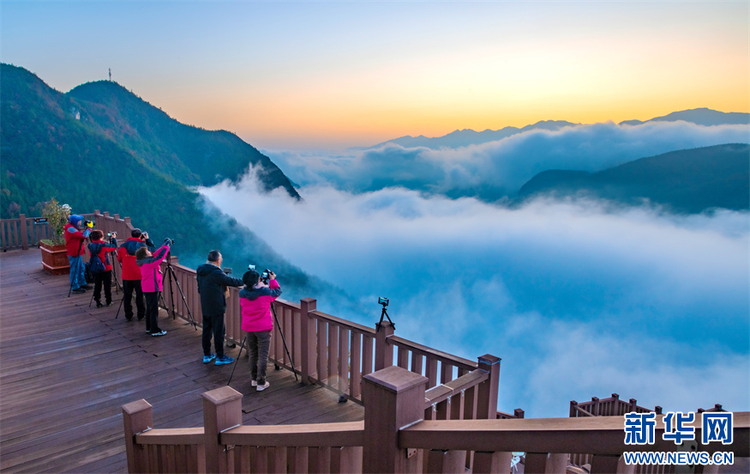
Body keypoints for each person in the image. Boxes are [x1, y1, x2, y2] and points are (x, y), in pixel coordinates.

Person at [196, 250, 244, 366]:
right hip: (216, 305)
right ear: (217, 260)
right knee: (219, 331)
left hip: (205, 303)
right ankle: (220, 357)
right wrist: (247, 281)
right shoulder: (216, 272)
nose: (221, 260)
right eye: (221, 258)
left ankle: (207, 355)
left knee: (207, 330)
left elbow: (199, 287)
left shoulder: (201, 270)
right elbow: (231, 281)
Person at [239, 268, 281, 391]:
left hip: (249, 326)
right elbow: (277, 292)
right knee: (263, 355)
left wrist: (258, 282)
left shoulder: (242, 293)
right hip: (263, 327)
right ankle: (261, 382)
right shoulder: (265, 292)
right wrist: (272, 280)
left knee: (253, 353)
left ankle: (253, 379)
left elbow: (252, 290)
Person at [135, 240, 172, 337]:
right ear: (144, 255)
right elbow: (160, 257)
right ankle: (155, 329)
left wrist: (163, 245)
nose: (149, 252)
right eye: (147, 252)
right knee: (154, 309)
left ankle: (149, 328)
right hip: (152, 288)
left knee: (150, 308)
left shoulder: (144, 261)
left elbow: (155, 254)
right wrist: (167, 247)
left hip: (147, 287)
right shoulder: (149, 263)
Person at [117, 229, 155, 321]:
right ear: (140, 236)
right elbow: (153, 252)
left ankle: (128, 315)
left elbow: (119, 259)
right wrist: (148, 240)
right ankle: (141, 314)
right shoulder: (143, 246)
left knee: (127, 296)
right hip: (139, 275)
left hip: (126, 275)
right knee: (140, 296)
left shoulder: (123, 247)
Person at [88, 230, 118, 307]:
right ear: (101, 237)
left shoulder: (90, 246)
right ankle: (108, 300)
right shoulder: (103, 246)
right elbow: (114, 247)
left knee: (97, 284)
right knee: (107, 285)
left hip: (95, 267)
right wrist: (113, 238)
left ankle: (98, 301)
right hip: (105, 268)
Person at [64, 215, 91, 294]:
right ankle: (75, 286)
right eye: (79, 221)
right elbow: (84, 236)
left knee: (81, 268)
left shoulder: (72, 227)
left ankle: (82, 282)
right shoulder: (70, 228)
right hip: (74, 252)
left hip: (78, 252)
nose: (80, 223)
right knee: (75, 269)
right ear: (75, 221)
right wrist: (89, 229)